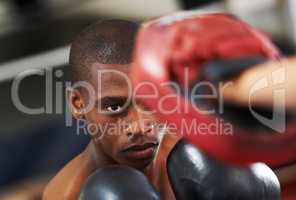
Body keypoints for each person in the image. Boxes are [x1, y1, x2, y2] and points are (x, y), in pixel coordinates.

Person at [42, 19, 180, 200]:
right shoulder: (66, 196)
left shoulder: (201, 151)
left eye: (151, 101)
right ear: (78, 104)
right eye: (114, 107)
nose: (139, 127)